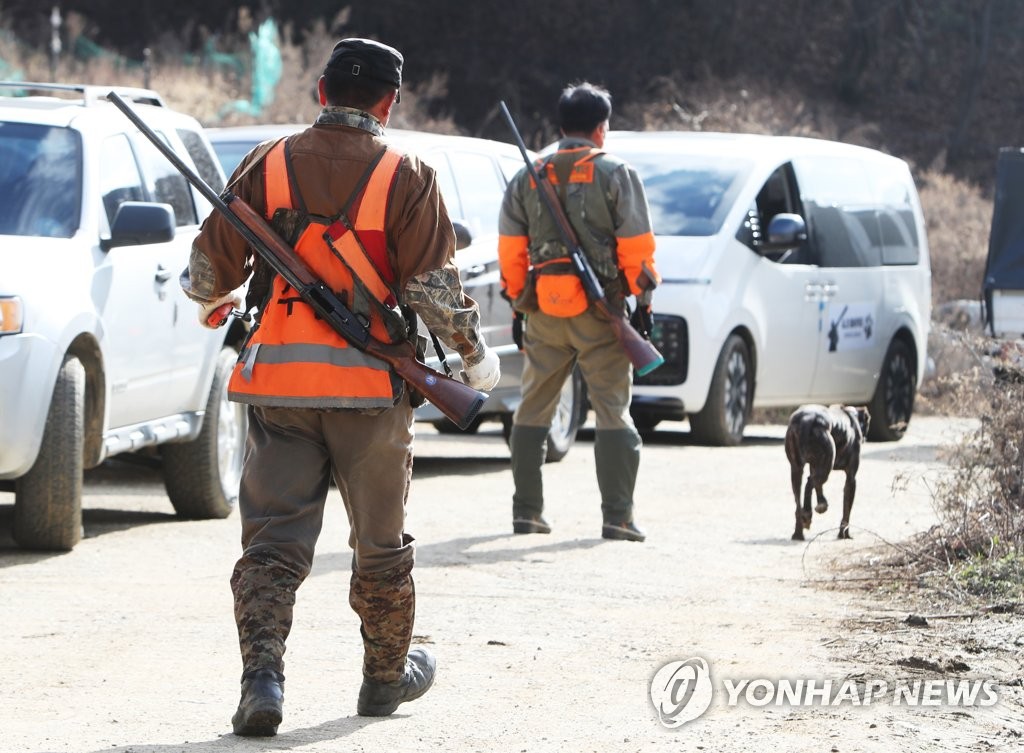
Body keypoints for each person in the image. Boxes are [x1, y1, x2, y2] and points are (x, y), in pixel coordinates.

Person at [182, 38, 500, 736]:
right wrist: (473, 358)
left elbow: (206, 278)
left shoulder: (264, 164)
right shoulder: (407, 173)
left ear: (320, 91)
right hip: (371, 392)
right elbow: (435, 292)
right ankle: (385, 677)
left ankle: (262, 679)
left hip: (280, 386)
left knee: (271, 546)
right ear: (391, 101)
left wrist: (216, 308)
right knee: (380, 546)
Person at [497, 81, 658, 543]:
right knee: (613, 411)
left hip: (544, 311)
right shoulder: (617, 173)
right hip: (602, 312)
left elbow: (511, 253)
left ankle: (526, 513)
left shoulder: (529, 176)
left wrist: (517, 302)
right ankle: (618, 518)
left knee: (532, 408)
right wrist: (640, 306)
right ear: (602, 130)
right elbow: (638, 252)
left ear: (561, 127)